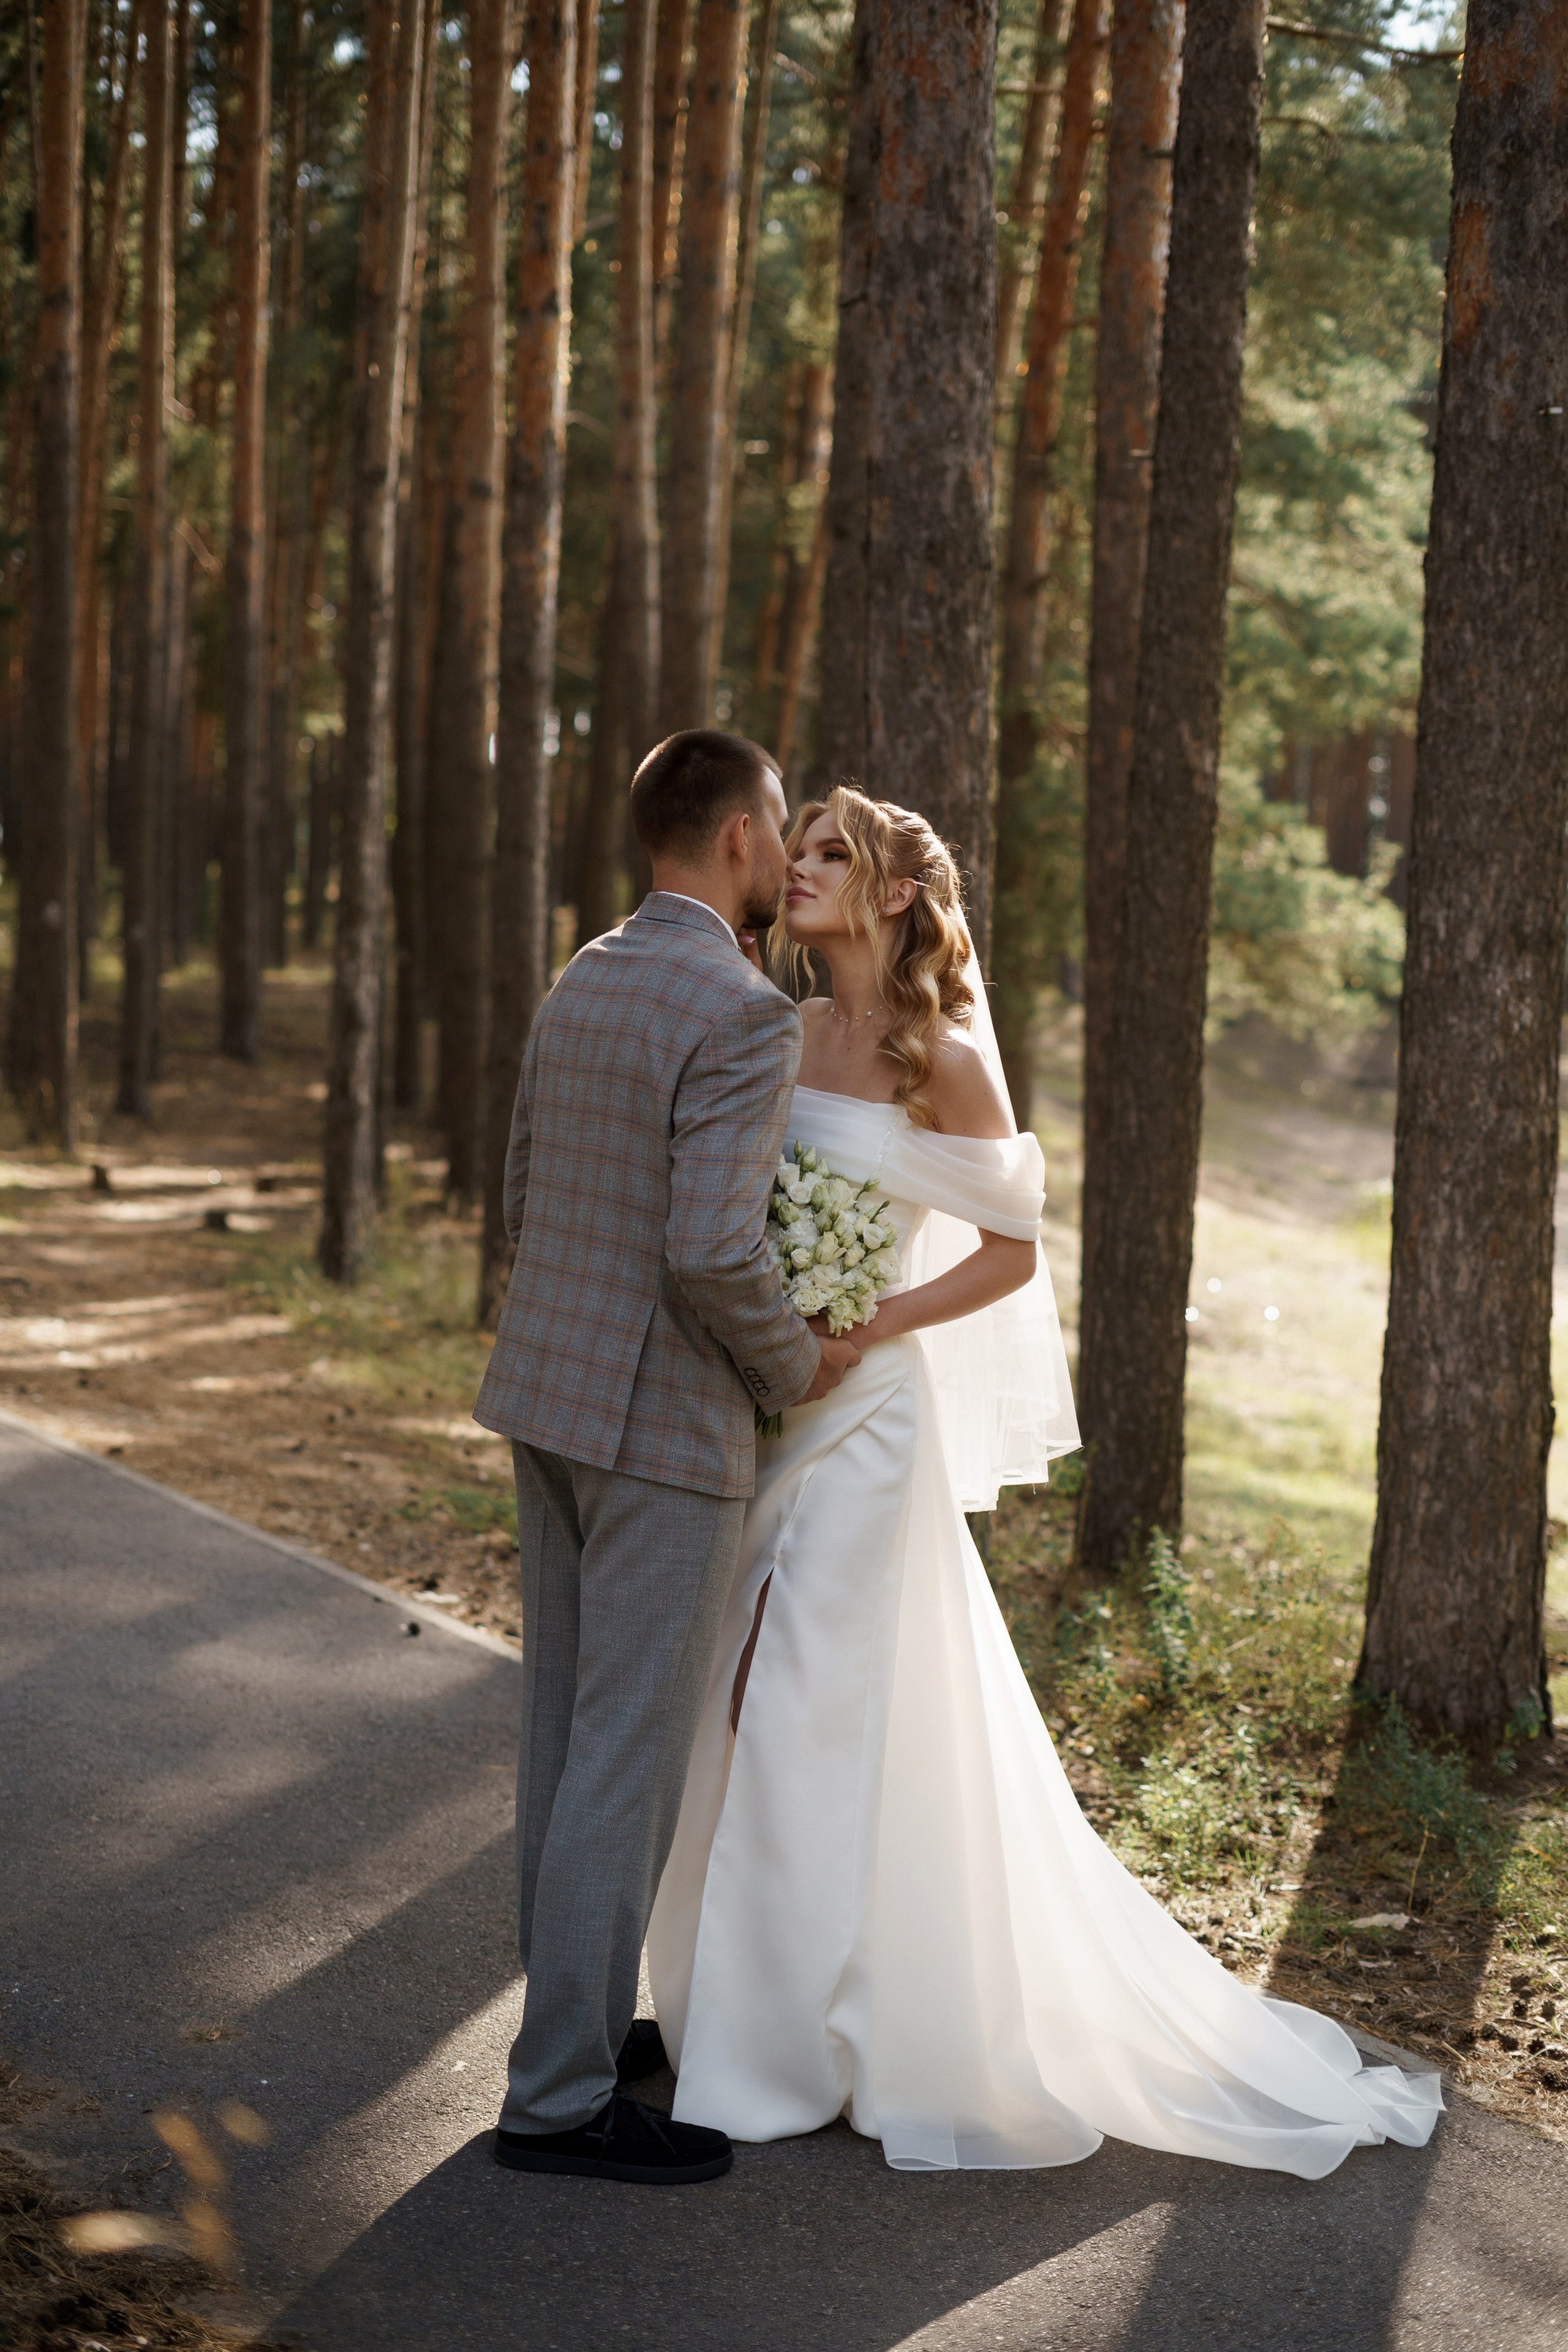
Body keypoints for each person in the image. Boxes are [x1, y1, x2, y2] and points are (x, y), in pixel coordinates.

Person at [646, 784, 1444, 2180]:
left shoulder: (938, 1055)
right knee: (738, 1687)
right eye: (801, 847)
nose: (800, 868)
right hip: (774, 1412)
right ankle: (744, 2008)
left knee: (802, 1703)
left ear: (896, 893)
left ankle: (775, 2058)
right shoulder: (770, 1030)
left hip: (870, 1417)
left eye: (831, 852)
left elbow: (1010, 1250)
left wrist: (871, 1323)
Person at [473, 729, 861, 2185]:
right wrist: (792, 1364)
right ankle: (560, 2101)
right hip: (659, 1429)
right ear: (744, 839)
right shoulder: (742, 1009)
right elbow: (710, 1247)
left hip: (548, 1399)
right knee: (625, 1760)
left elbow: (524, 1183)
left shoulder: (588, 970)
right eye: (778, 833)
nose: (782, 857)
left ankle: (565, 2031)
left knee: (567, 1741)